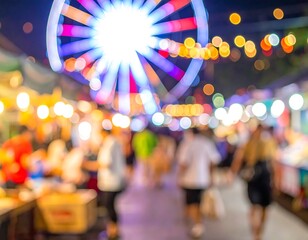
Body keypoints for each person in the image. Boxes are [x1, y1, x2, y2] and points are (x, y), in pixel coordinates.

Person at [230, 124, 278, 240]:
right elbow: (273, 164)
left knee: (256, 207)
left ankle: (256, 231)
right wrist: (276, 181)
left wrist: (232, 173)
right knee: (261, 207)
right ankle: (258, 232)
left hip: (256, 178)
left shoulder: (249, 144)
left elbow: (238, 160)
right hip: (262, 179)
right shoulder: (266, 143)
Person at [177, 127, 221, 238]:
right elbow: (214, 160)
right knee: (199, 202)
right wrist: (211, 176)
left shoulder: (187, 144)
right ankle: (197, 223)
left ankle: (197, 224)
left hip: (189, 180)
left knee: (193, 203)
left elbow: (183, 163)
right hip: (203, 179)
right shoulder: (206, 143)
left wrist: (179, 177)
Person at [96, 129, 126, 239]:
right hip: (115, 181)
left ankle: (113, 230)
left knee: (109, 206)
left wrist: (89, 165)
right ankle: (113, 229)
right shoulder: (114, 142)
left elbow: (106, 163)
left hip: (110, 182)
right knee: (111, 206)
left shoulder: (109, 144)